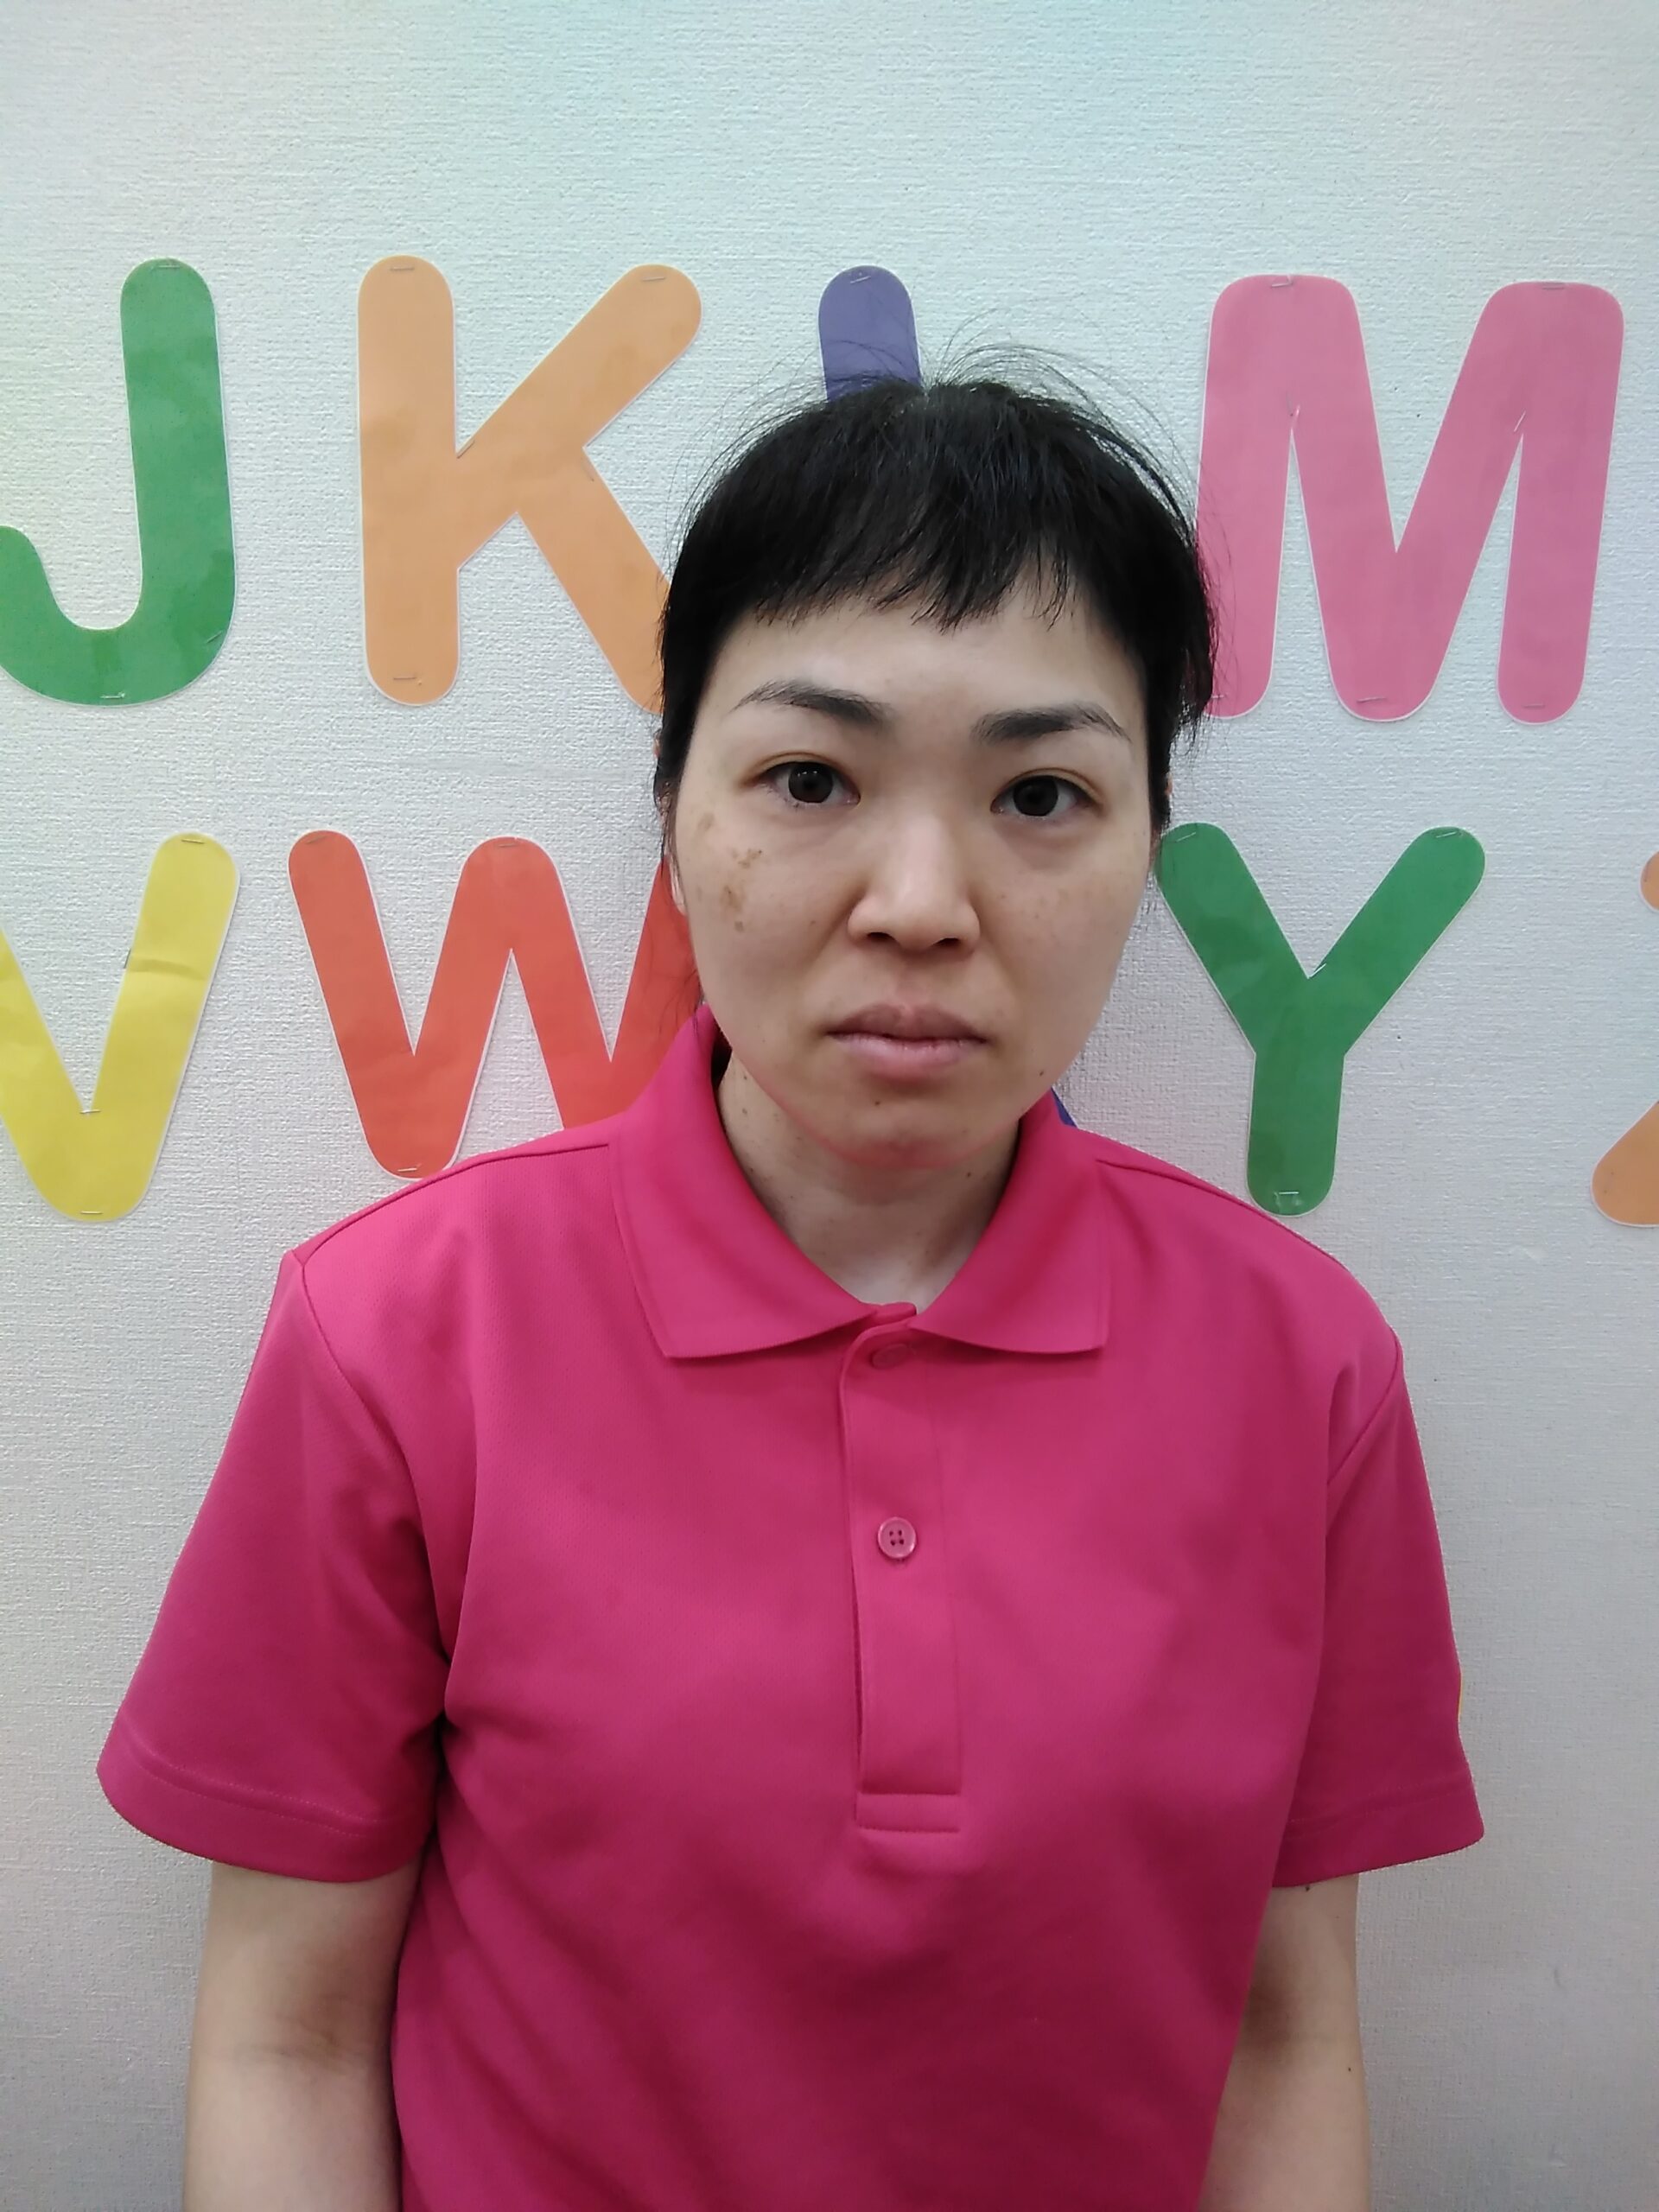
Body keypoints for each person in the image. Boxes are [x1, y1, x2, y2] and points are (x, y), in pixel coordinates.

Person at [98, 371, 1484, 2212]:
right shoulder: (401, 1339)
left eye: (1043, 793)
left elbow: (1287, 2035)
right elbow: (289, 2037)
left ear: (1150, 842)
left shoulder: (1305, 1368)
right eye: (811, 778)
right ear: (675, 808)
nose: (920, 900)